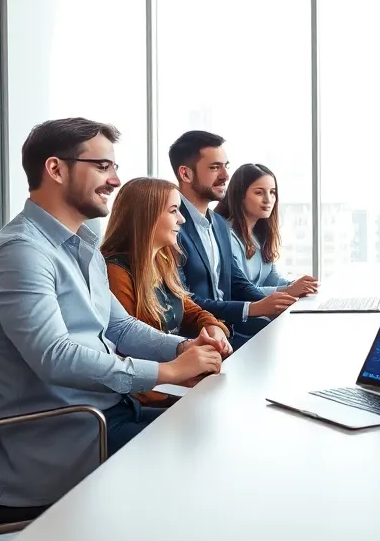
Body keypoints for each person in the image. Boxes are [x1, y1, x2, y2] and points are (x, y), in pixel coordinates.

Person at [0, 118, 229, 508]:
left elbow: (119, 326)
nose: (114, 180)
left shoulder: (82, 245)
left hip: (104, 417)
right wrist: (167, 373)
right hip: (66, 444)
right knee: (214, 465)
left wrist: (184, 348)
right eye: (102, 166)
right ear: (56, 169)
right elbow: (54, 358)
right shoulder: (21, 253)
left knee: (220, 433)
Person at [101, 177, 235, 407]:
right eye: (174, 211)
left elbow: (191, 309)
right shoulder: (115, 271)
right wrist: (181, 380)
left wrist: (215, 330)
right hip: (149, 393)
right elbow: (124, 348)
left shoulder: (163, 260)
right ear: (147, 217)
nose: (181, 219)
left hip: (174, 382)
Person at [169, 131, 294, 350]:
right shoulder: (171, 225)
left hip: (229, 332)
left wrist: (277, 305)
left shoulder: (218, 223)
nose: (226, 175)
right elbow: (183, 300)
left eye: (226, 166)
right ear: (186, 174)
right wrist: (252, 309)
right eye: (215, 167)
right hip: (197, 341)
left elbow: (237, 283)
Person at [216, 163, 319, 296]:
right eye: (259, 192)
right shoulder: (226, 236)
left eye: (272, 192)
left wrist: (297, 285)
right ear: (240, 196)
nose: (268, 199)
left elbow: (271, 278)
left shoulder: (258, 235)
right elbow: (241, 291)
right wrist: (288, 290)